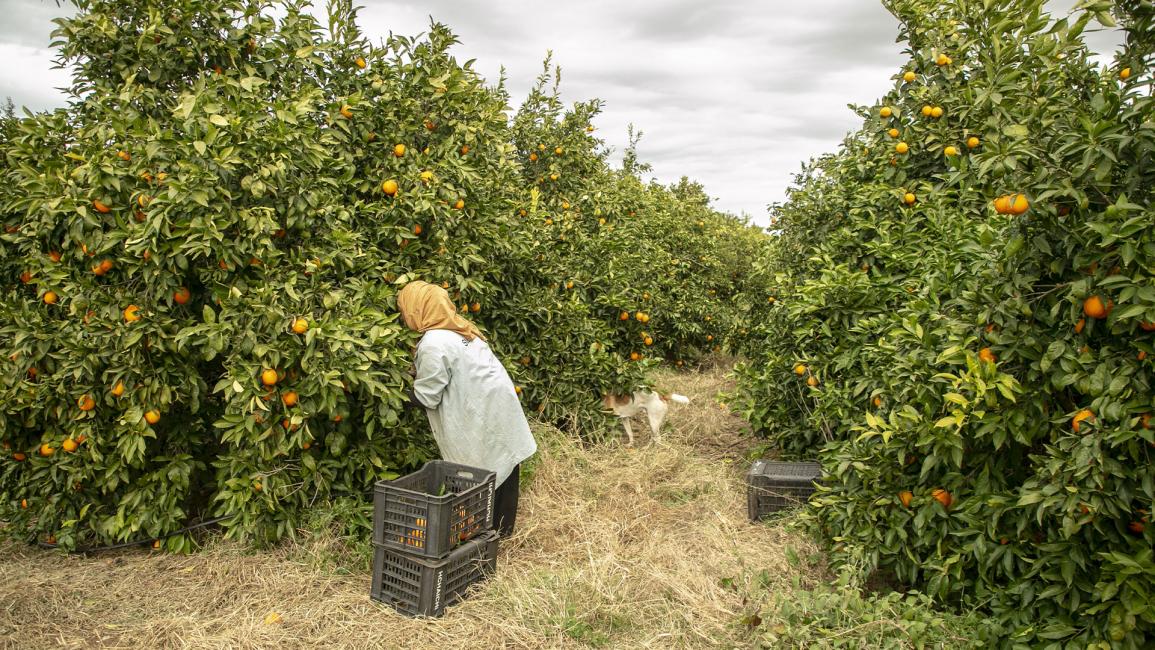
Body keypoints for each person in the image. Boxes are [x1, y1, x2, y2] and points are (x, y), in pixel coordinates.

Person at [396, 280, 537, 537]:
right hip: (497, 408)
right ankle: (500, 535)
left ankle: (486, 538)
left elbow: (427, 395)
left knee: (483, 474)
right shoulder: (458, 331)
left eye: (405, 308)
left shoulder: (433, 342)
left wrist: (392, 395)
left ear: (417, 309)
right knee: (501, 469)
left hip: (483, 413)